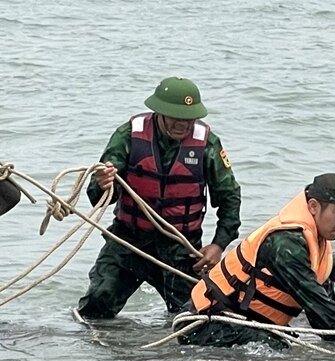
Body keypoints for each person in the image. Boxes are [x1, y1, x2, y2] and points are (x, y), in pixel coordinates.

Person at [76, 76, 242, 318]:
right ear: (158, 113)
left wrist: (218, 245)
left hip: (181, 248)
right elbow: (97, 196)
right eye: (176, 117)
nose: (182, 125)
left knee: (194, 318)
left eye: (188, 118)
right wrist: (103, 184)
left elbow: (230, 197)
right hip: (128, 242)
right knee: (96, 305)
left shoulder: (207, 144)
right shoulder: (128, 136)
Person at [179, 173, 335, 354]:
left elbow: (324, 315)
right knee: (279, 350)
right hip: (203, 323)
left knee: (286, 345)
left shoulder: (318, 244)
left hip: (245, 323)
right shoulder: (286, 244)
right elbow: (320, 308)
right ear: (313, 206)